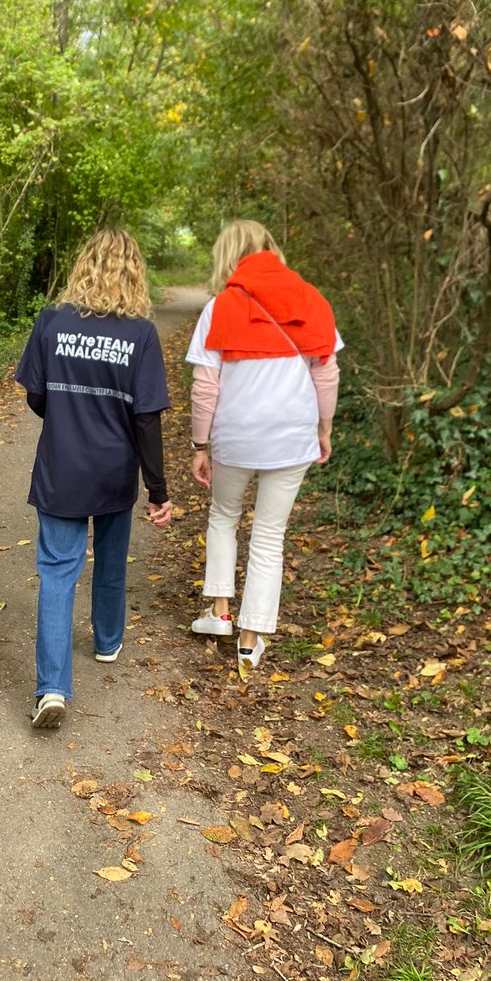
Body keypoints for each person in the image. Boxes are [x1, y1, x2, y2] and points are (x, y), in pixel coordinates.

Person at [16, 229, 173, 729]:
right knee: (109, 556)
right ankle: (107, 641)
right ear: (134, 273)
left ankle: (53, 689)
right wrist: (158, 490)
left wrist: (68, 411)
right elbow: (147, 418)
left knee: (58, 572)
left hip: (61, 466)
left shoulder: (52, 321)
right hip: (114, 469)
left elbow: (36, 398)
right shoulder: (140, 335)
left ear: (84, 266)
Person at [186, 219, 341, 679]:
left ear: (229, 254)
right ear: (271, 249)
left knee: (223, 515)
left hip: (236, 434)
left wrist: (199, 443)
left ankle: (219, 611)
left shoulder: (219, 306)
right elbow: (326, 374)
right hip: (293, 435)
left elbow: (204, 386)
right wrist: (324, 429)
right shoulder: (313, 300)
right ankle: (250, 641)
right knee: (270, 535)